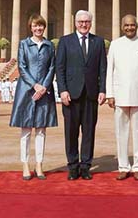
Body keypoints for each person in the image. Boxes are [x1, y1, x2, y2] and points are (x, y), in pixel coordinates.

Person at [55, 10, 107, 181]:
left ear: (90, 23)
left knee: (89, 132)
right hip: (70, 93)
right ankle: (72, 165)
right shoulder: (65, 41)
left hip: (91, 93)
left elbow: (102, 69)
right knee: (71, 132)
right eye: (80, 22)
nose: (84, 24)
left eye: (87, 21)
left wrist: (102, 90)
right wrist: (62, 89)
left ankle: (85, 165)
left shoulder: (98, 42)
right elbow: (60, 68)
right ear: (75, 22)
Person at [106, 14, 138, 181]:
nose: (129, 28)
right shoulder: (115, 44)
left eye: (132, 25)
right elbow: (109, 71)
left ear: (137, 26)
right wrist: (110, 94)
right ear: (122, 27)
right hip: (119, 94)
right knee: (121, 133)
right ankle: (123, 166)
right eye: (126, 25)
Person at [9, 14, 58, 180]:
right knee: (26, 129)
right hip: (27, 91)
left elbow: (52, 67)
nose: (38, 29)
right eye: (35, 26)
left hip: (44, 90)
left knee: (41, 130)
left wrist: (44, 86)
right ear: (30, 27)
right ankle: (25, 164)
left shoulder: (49, 45)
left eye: (41, 26)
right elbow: (22, 66)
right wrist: (34, 85)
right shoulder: (24, 44)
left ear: (44, 27)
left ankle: (39, 164)